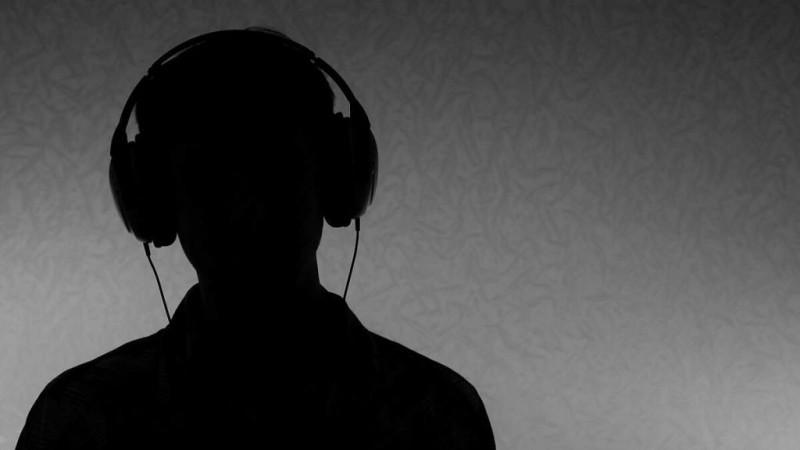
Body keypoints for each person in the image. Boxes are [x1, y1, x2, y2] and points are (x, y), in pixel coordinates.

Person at [17, 27, 495, 449]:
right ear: (158, 204)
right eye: (209, 180)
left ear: (333, 180)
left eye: (275, 170)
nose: (247, 209)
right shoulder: (82, 418)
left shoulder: (436, 414)